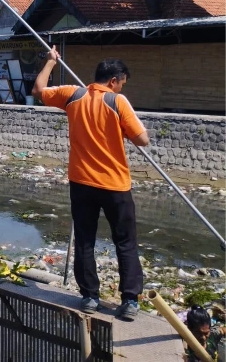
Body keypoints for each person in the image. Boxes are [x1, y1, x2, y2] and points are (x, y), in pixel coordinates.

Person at [32, 46, 150, 321]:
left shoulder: (72, 95)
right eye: (121, 84)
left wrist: (51, 62)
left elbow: (38, 90)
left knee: (85, 240)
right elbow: (143, 140)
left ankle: (89, 297)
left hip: (82, 183)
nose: (120, 89)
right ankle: (130, 301)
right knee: (126, 243)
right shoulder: (117, 102)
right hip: (115, 186)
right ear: (113, 81)